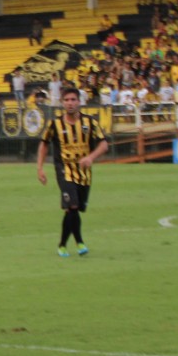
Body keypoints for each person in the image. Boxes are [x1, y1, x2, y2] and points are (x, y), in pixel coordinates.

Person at [36, 87, 109, 257]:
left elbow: (104, 144)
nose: (70, 103)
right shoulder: (54, 124)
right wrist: (40, 168)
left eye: (73, 99)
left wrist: (90, 157)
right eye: (67, 100)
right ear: (62, 103)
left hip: (84, 172)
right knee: (73, 205)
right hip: (64, 170)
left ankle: (63, 244)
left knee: (73, 210)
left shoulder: (90, 122)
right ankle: (80, 243)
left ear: (79, 101)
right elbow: (44, 143)